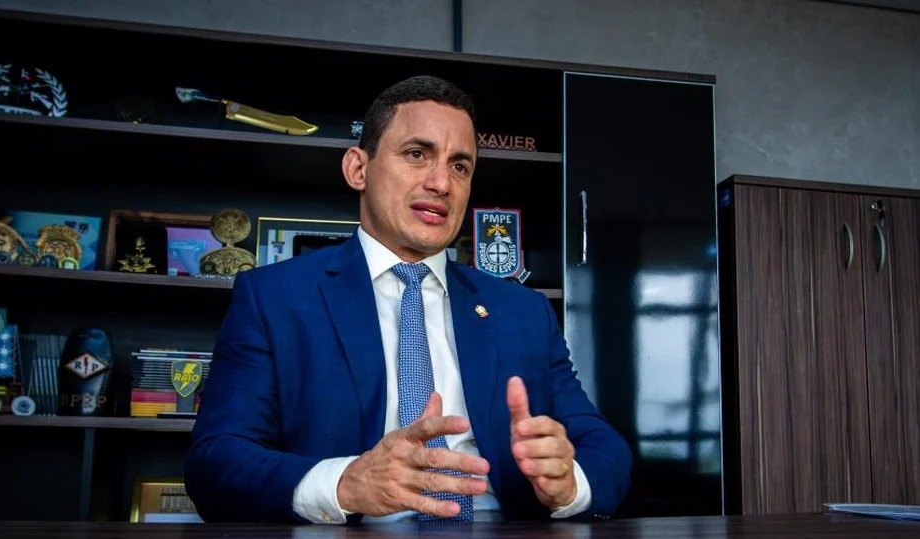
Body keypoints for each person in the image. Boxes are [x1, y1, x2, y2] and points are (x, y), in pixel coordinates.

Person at [184, 75, 632, 524]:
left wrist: (569, 482)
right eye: (417, 154)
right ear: (358, 169)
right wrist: (345, 484)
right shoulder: (273, 298)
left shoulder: (524, 311)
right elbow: (215, 463)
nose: (441, 183)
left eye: (460, 166)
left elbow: (604, 447)